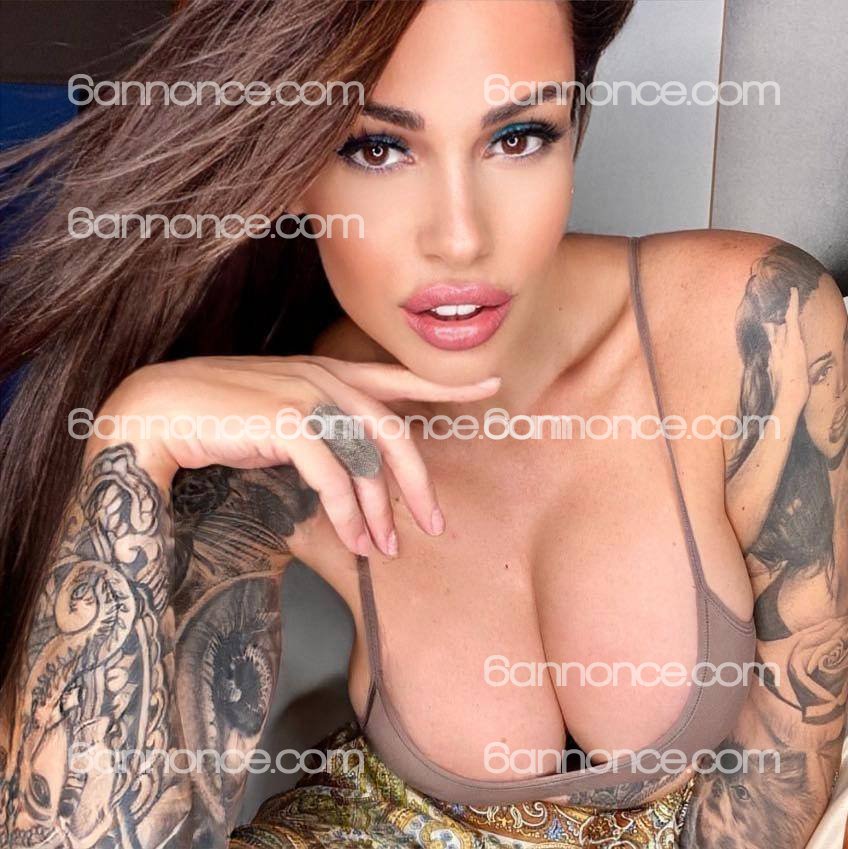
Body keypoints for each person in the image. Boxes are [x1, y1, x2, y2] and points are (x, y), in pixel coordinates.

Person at [0, 1, 844, 847]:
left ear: (576, 120)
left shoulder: (755, 327)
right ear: (289, 167)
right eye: (377, 148)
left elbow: (781, 789)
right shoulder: (265, 448)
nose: (460, 239)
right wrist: (133, 434)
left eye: (518, 136)